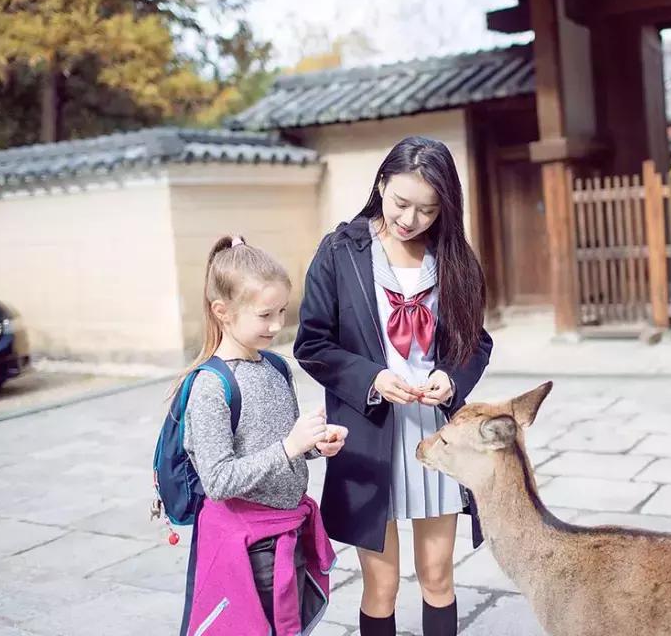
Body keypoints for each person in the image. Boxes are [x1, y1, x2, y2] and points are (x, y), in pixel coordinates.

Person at [295, 137, 493, 636]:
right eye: (401, 203)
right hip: (368, 433)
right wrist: (373, 378)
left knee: (438, 576)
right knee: (380, 587)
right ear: (381, 183)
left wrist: (450, 379)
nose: (410, 220)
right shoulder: (341, 251)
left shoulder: (454, 258)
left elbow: (477, 341)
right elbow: (312, 343)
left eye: (427, 210)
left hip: (435, 433)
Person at [178, 236, 346, 636]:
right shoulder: (210, 386)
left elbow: (282, 447)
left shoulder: (276, 367)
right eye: (265, 314)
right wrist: (290, 446)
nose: (276, 325)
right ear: (223, 312)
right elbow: (218, 481)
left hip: (290, 531)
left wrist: (314, 445)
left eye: (283, 311)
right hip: (250, 547)